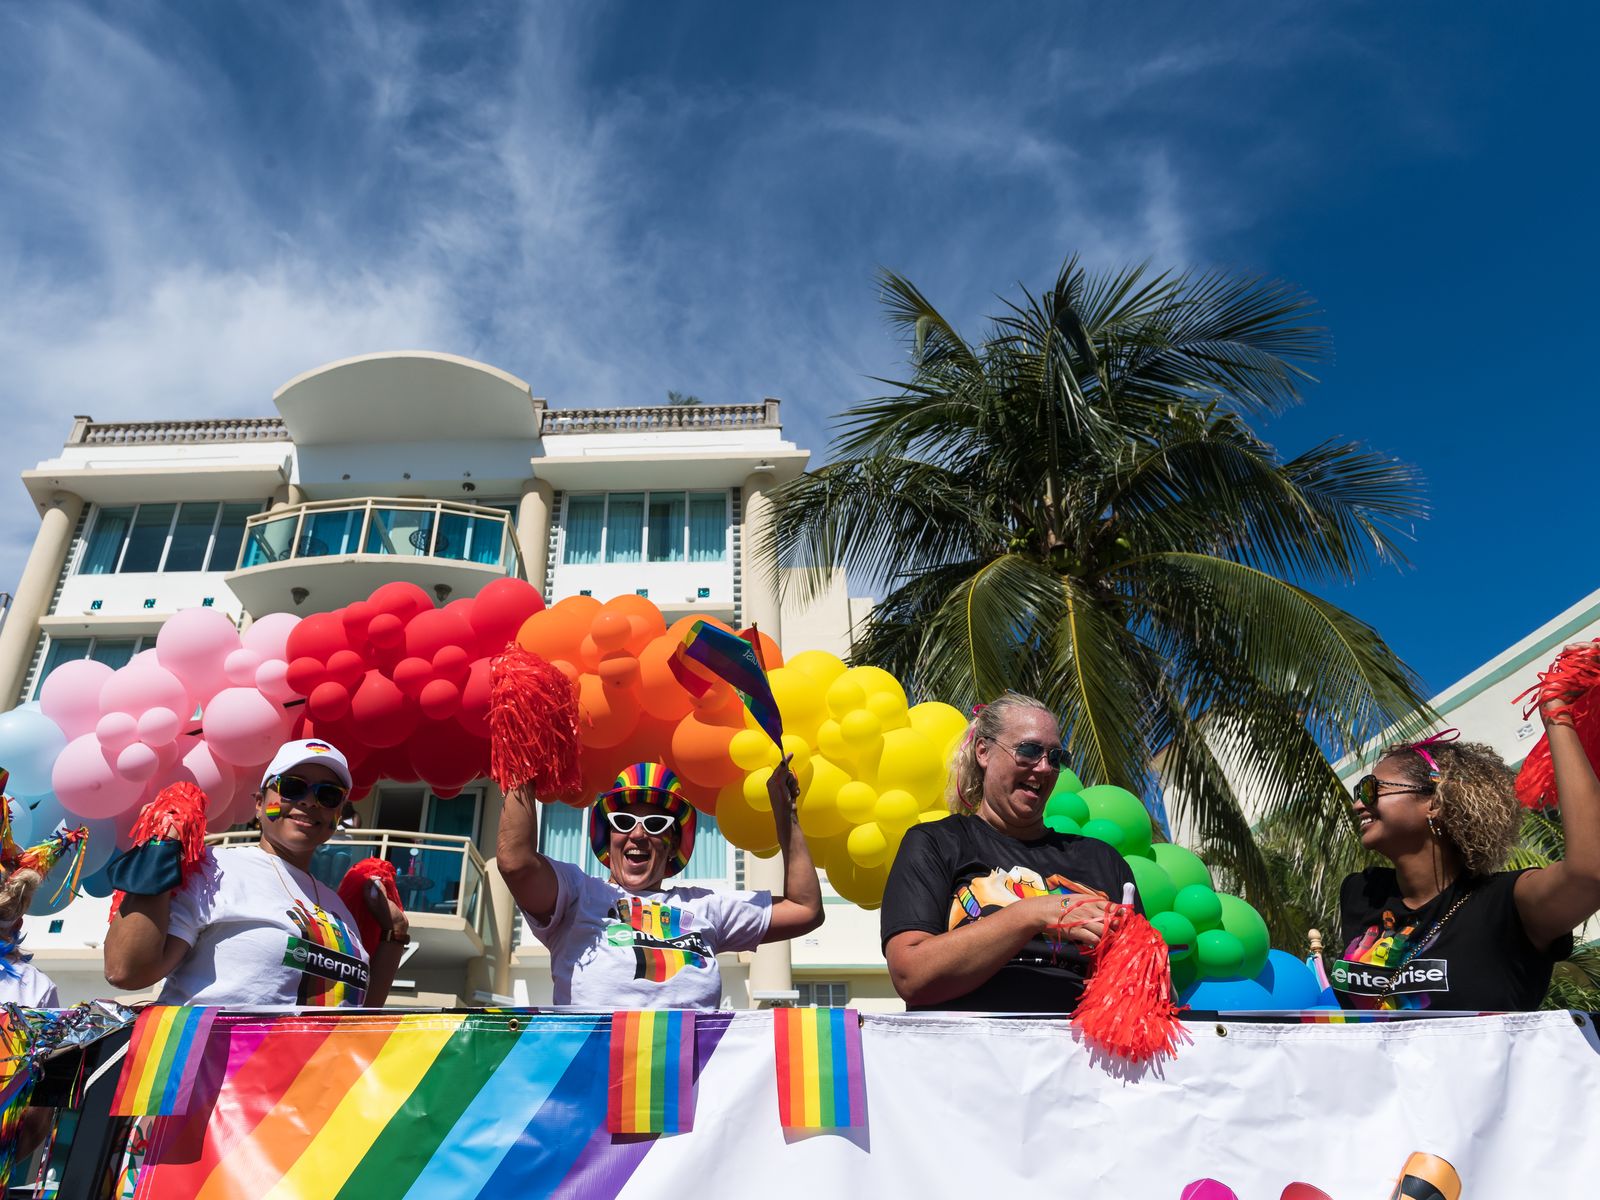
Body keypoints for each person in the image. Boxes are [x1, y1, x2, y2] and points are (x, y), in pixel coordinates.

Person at [1335, 669, 1600, 1011]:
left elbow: (1590, 873)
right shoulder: (1361, 893)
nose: (1358, 804)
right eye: (1359, 792)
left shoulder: (1507, 905)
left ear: (1435, 802)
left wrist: (1555, 714)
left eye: (1372, 790)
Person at [103, 739, 408, 1007]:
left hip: (315, 1071)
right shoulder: (213, 869)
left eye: (328, 795)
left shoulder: (338, 910)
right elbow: (127, 971)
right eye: (292, 787)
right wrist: (163, 845)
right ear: (260, 804)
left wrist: (395, 934)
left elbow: (357, 1014)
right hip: (215, 1071)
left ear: (337, 813)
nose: (309, 801)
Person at [880, 693, 1137, 1012]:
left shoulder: (1102, 860)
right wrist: (1037, 913)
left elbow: (1156, 989)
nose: (1044, 768)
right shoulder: (936, 843)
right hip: (970, 1053)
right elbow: (910, 975)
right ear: (984, 752)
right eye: (1029, 750)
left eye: (1055, 757)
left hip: (1084, 1055)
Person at [498, 759, 823, 1007]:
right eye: (624, 822)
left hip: (685, 1089)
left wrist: (786, 811)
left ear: (670, 845)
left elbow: (804, 908)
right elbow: (516, 864)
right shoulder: (577, 893)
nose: (638, 834)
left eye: (655, 824)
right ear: (609, 837)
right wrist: (522, 761)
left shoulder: (706, 907)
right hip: (592, 1085)